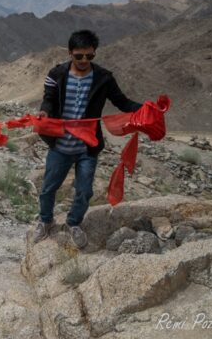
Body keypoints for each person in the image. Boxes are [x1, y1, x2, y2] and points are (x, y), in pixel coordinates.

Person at [31, 29, 142, 248]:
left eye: (89, 56)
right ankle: (45, 221)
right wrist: (44, 112)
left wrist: (146, 109)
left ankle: (73, 223)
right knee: (48, 188)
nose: (84, 60)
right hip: (60, 145)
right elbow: (49, 100)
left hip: (87, 147)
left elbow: (122, 102)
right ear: (70, 52)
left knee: (84, 190)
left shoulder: (103, 78)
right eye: (79, 56)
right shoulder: (56, 74)